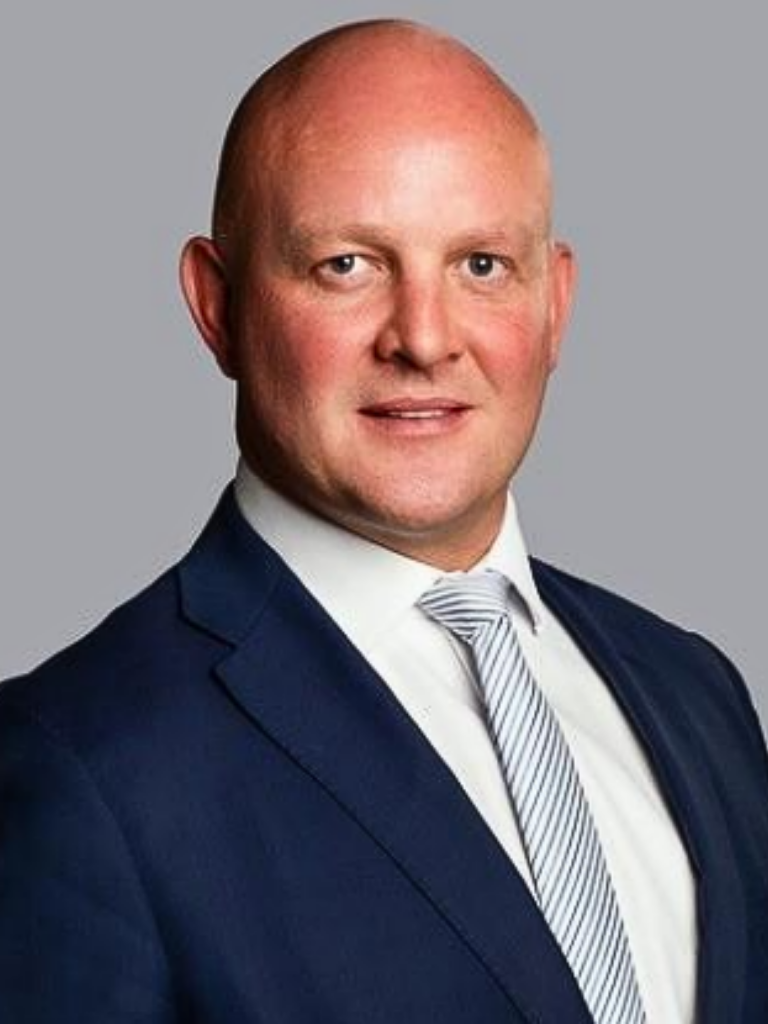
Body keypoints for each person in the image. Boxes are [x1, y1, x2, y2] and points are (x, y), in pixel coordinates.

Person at [1, 19, 766, 1024]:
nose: (424, 338)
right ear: (217, 305)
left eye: (481, 265)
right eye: (347, 265)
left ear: (556, 305)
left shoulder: (698, 692)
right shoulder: (75, 767)